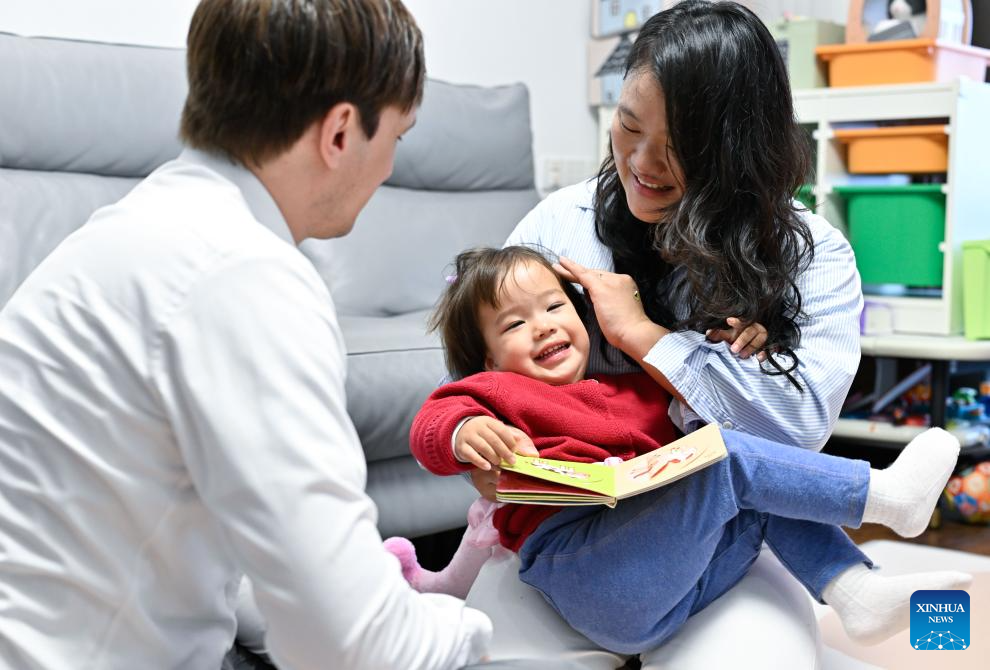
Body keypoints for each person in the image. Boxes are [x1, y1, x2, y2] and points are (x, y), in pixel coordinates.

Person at [0, 1, 492, 668]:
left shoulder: (137, 227)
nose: (387, 171)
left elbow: (239, 557)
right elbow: (354, 648)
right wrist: (478, 631)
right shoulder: (243, 275)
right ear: (340, 133)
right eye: (396, 140)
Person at [465, 4, 869, 663]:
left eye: (680, 145)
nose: (643, 163)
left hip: (720, 546)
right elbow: (475, 371)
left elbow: (795, 431)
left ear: (739, 149)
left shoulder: (811, 256)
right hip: (571, 543)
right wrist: (480, 445)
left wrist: (645, 337)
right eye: (628, 126)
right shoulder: (559, 226)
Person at [391, 246, 969, 655]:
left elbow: (718, 409)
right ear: (489, 359)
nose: (542, 327)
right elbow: (431, 425)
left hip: (671, 584)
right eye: (514, 324)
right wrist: (464, 431)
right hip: (585, 572)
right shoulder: (496, 392)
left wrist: (734, 350)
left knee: (751, 483)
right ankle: (884, 495)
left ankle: (854, 594)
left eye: (554, 307)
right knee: (725, 459)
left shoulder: (633, 388)